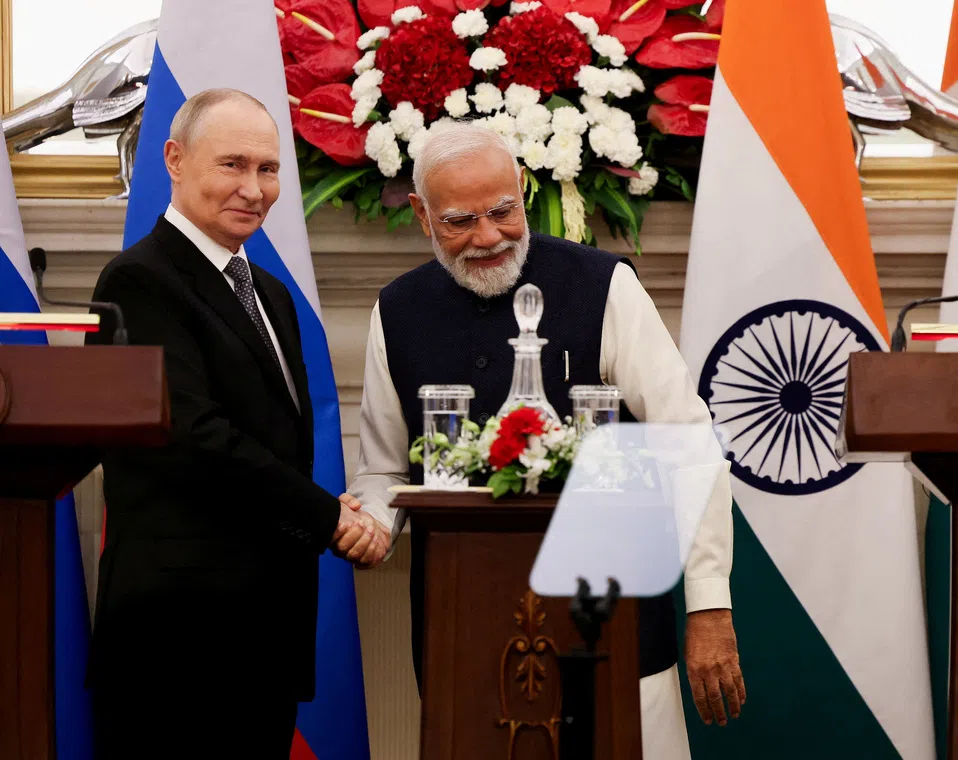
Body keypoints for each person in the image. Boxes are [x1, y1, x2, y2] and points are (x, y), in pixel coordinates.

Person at [349, 123, 745, 757]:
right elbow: (384, 470)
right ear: (422, 215)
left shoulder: (603, 285)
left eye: (503, 211)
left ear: (524, 190)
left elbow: (686, 442)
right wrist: (370, 524)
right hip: (466, 632)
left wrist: (708, 605)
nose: (488, 237)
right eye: (459, 221)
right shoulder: (396, 312)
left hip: (617, 624)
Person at [85, 88, 387, 758]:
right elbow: (191, 439)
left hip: (261, 642)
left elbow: (272, 443)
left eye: (269, 169)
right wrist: (328, 516)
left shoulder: (269, 292)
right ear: (175, 159)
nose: (254, 188)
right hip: (178, 649)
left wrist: (321, 508)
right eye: (233, 165)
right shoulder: (139, 281)